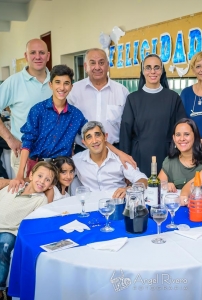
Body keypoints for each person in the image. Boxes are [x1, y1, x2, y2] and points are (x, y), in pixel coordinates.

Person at [8, 65, 87, 193]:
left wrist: (118, 153)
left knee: (59, 206)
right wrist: (19, 174)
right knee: (35, 206)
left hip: (61, 170)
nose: (62, 87)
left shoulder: (76, 115)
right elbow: (27, 141)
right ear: (50, 85)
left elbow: (92, 135)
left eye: (66, 83)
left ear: (71, 87)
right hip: (38, 167)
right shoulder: (38, 110)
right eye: (57, 82)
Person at [120, 53, 187, 177]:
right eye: (148, 67)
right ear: (143, 71)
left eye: (156, 67)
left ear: (162, 71)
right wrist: (127, 167)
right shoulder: (133, 99)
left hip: (167, 157)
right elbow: (125, 134)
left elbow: (183, 128)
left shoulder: (173, 97)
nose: (153, 71)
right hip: (139, 158)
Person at [0, 161, 58, 300]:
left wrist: (50, 194)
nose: (42, 181)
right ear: (31, 175)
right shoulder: (15, 185)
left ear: (50, 185)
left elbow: (43, 217)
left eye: (47, 180)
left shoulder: (40, 200)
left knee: (4, 246)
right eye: (40, 176)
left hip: (10, 231)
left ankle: (0, 288)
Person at [0, 39, 52, 175]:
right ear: (26, 56)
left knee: (58, 196)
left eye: (42, 52)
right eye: (33, 52)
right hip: (25, 154)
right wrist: (10, 139)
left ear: (48, 56)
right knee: (27, 195)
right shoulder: (13, 82)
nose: (38, 56)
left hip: (54, 156)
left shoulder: (57, 81)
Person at [68, 48, 129, 151]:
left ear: (108, 66)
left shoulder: (122, 91)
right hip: (83, 151)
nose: (97, 67)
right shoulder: (73, 91)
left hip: (114, 151)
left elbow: (128, 127)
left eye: (101, 63)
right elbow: (67, 125)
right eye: (92, 63)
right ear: (86, 66)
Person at [73, 121, 148, 199]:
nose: (94, 141)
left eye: (97, 135)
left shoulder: (120, 159)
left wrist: (130, 189)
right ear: (84, 142)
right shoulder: (77, 160)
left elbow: (143, 180)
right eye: (89, 137)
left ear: (105, 137)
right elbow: (61, 173)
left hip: (117, 203)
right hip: (90, 206)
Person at [158, 118, 202, 194]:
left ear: (195, 136)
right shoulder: (170, 162)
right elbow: (156, 186)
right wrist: (165, 186)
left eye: (186, 134)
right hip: (183, 204)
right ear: (174, 138)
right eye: (178, 135)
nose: (182, 139)